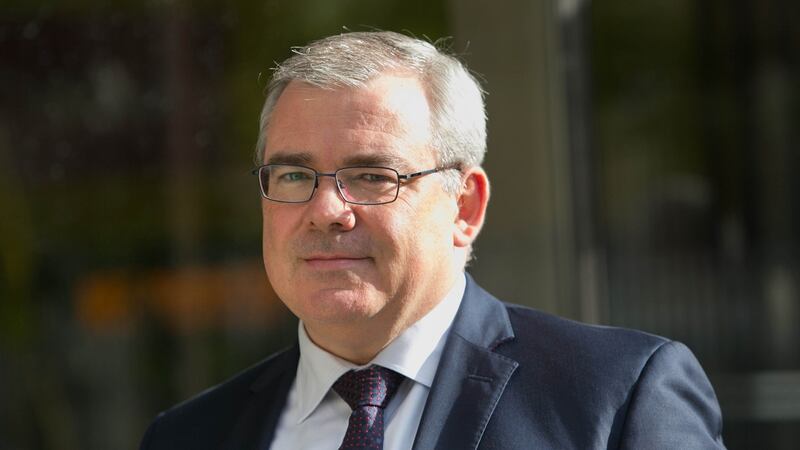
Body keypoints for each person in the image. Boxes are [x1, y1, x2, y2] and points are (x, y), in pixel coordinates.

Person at [140, 31, 725, 449]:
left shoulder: (617, 399)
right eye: (294, 176)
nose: (325, 210)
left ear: (465, 207)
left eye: (372, 176)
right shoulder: (190, 435)